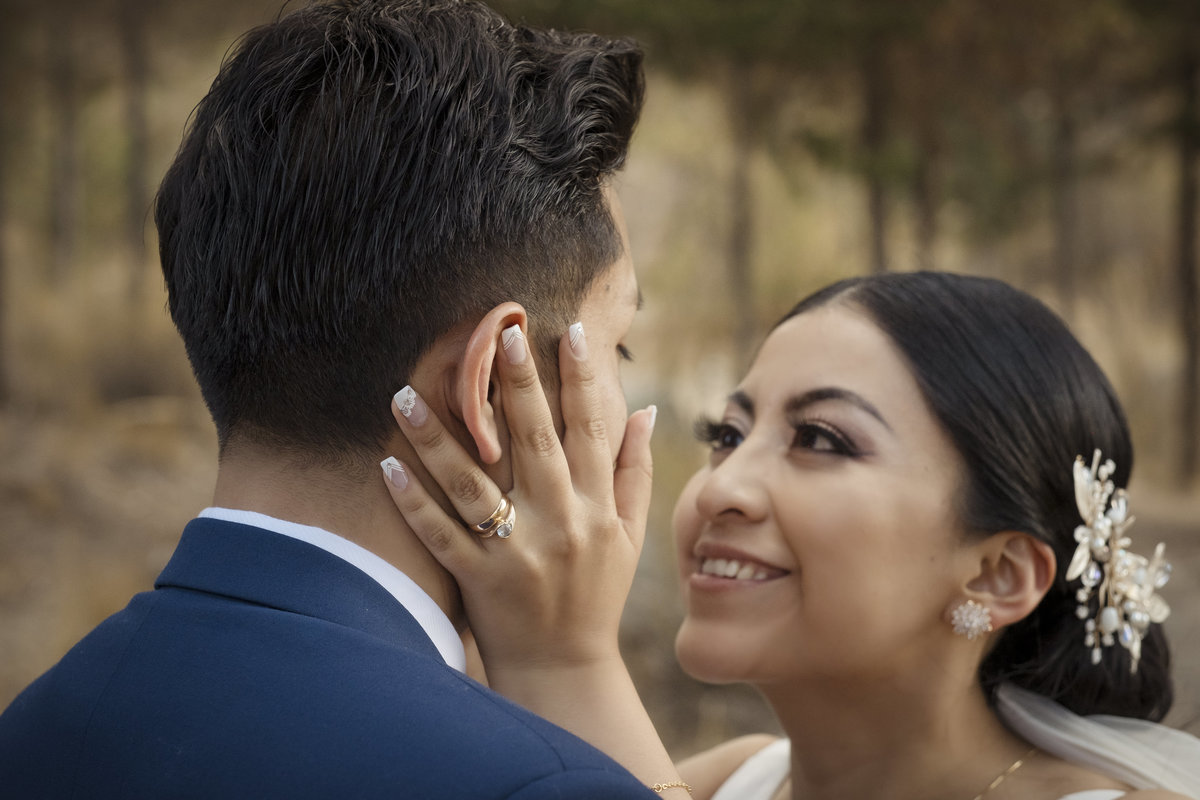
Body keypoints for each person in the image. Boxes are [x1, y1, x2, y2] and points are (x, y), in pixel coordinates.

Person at [0, 1, 668, 797]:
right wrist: (572, 667)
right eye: (616, 346)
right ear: (493, 384)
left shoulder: (38, 721)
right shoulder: (541, 782)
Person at [383, 271, 1200, 799]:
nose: (721, 488)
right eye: (728, 434)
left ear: (997, 573)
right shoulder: (732, 781)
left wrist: (564, 661)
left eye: (823, 440)